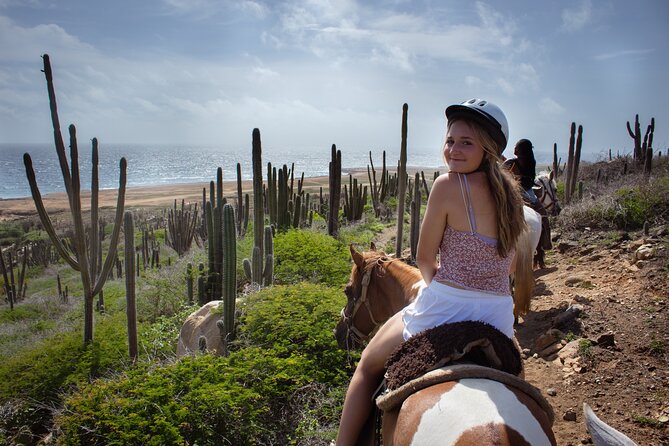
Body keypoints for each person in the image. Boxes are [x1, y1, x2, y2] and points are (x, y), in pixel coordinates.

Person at [335, 98, 527, 445]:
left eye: (466, 143)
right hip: (498, 315)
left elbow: (424, 259)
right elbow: (509, 264)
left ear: (488, 149)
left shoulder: (447, 185)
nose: (454, 150)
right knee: (517, 376)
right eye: (450, 141)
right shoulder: (512, 196)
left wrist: (449, 282)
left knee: (366, 366)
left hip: (445, 307)